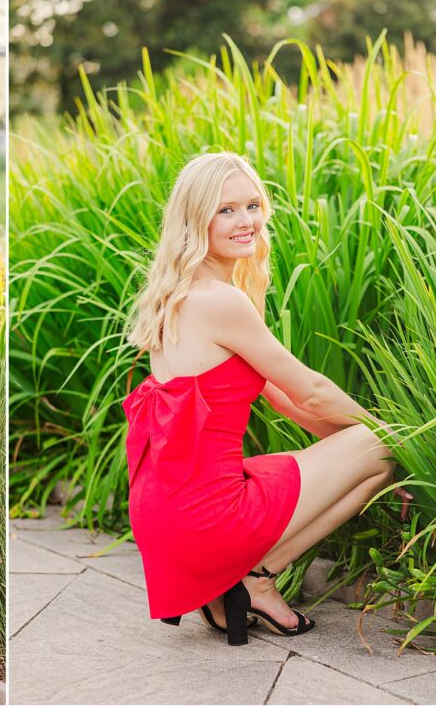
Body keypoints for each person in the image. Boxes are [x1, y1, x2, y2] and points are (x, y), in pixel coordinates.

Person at [122, 151, 410, 646]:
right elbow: (312, 391)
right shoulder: (219, 301)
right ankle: (253, 580)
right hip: (206, 517)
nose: (245, 221)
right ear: (196, 219)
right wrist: (400, 442)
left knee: (375, 462)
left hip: (164, 514)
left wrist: (362, 456)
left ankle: (248, 583)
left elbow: (283, 400)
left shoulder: (174, 295)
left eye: (252, 205)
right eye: (226, 209)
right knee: (380, 450)